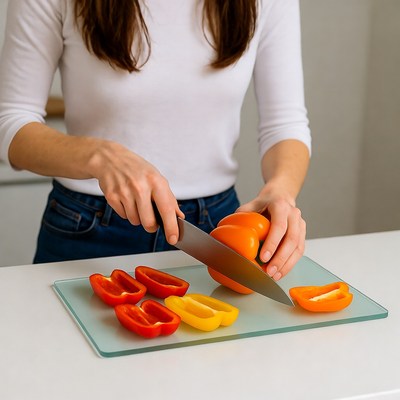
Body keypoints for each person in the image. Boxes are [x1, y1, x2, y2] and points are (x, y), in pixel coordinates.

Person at [0, 0, 311, 281]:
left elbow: (285, 123)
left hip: (220, 230)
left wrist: (281, 189)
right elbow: (10, 123)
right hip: (88, 227)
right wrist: (98, 155)